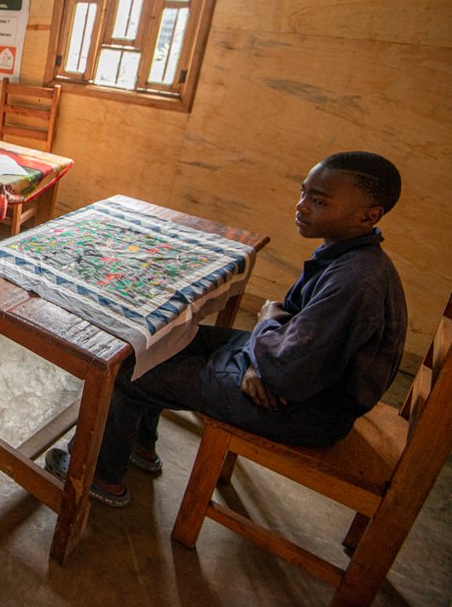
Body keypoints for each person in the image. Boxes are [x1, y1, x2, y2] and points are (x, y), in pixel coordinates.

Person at [46, 151, 407, 507]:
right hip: (286, 371)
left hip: (305, 410)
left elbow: (285, 371)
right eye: (303, 193)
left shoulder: (355, 281)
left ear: (368, 215)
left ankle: (101, 476)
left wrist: (266, 333)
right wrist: (261, 353)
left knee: (127, 367)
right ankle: (138, 444)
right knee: (159, 343)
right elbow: (290, 339)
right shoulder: (346, 257)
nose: (301, 206)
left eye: (319, 201)